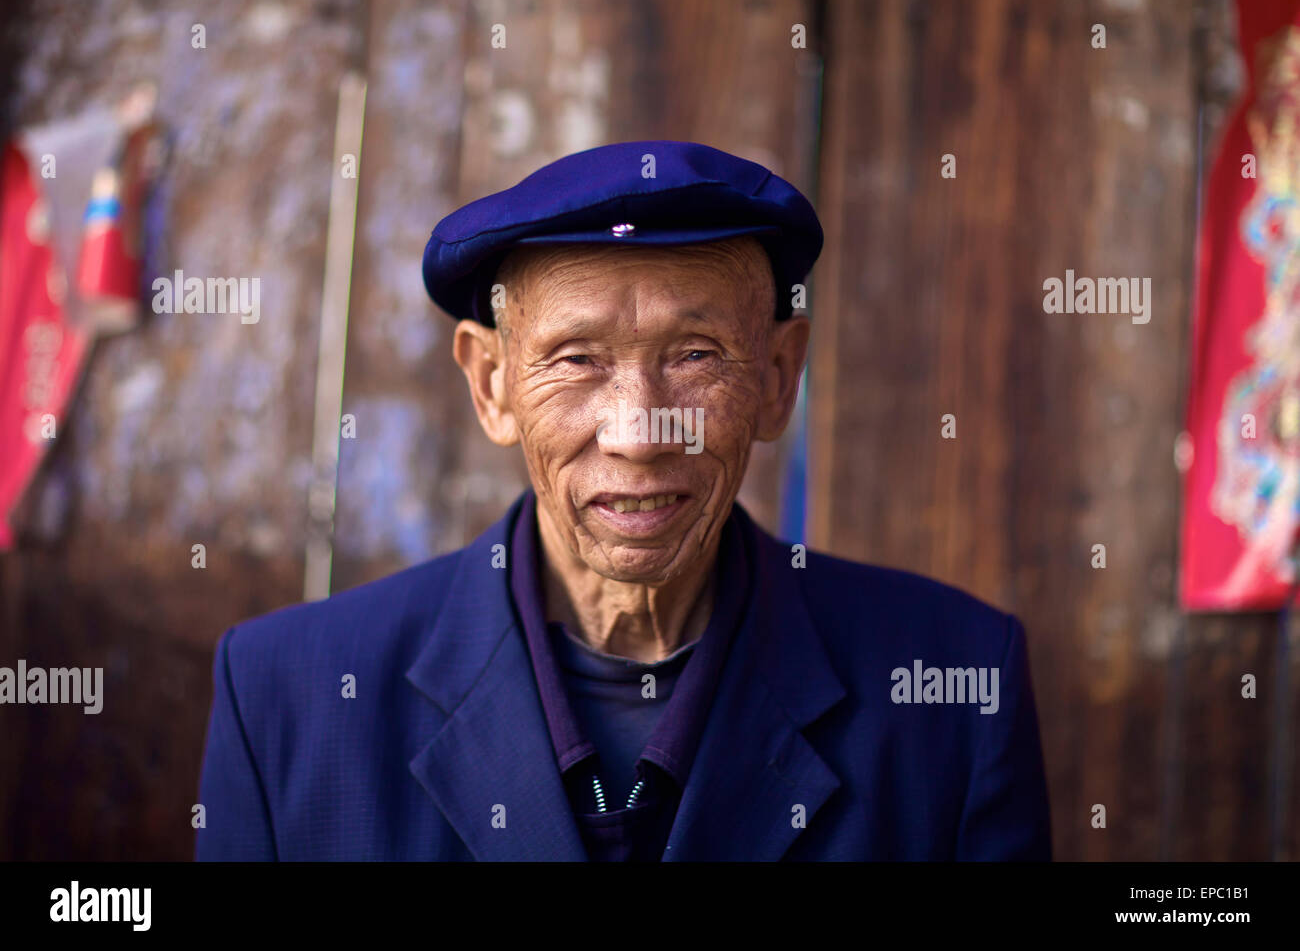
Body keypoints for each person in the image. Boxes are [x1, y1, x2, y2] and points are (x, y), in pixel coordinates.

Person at [196, 140, 1051, 861]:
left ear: (777, 379)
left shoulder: (953, 691)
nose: (641, 433)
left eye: (695, 354)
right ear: (492, 384)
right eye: (576, 360)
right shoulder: (289, 701)